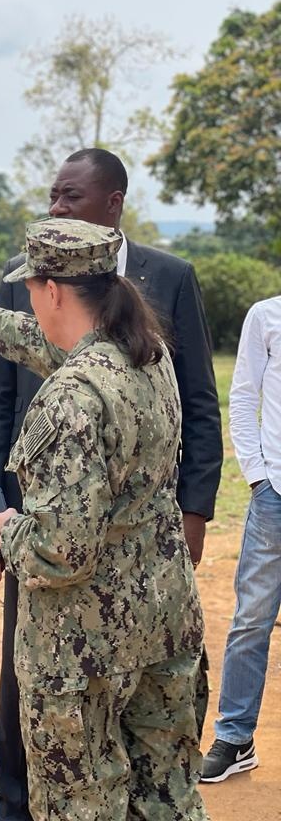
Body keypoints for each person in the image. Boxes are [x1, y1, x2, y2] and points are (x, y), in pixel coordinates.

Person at [0, 219, 209, 821]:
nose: (29, 299)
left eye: (29, 288)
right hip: (160, 618)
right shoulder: (146, 356)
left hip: (86, 644)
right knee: (166, 800)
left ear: (52, 290)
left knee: (84, 804)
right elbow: (48, 343)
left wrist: (5, 529)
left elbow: (61, 549)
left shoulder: (72, 398)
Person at [200, 293, 281, 782]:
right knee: (252, 619)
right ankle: (235, 737)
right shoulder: (266, 315)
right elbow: (245, 393)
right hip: (275, 496)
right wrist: (257, 475)